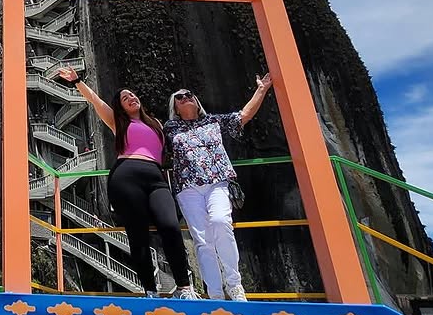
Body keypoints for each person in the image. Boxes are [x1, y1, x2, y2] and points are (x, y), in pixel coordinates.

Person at [57, 66, 197, 299]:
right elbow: (95, 101)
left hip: (156, 177)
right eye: (125, 97)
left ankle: (184, 288)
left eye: (132, 94)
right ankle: (150, 291)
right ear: (120, 106)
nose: (131, 98)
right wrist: (77, 81)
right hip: (126, 176)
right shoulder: (119, 123)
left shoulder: (157, 124)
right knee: (137, 233)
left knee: (170, 226)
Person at [164, 74, 273, 301]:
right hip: (188, 187)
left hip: (217, 181)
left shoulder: (213, 121)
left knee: (221, 222)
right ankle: (214, 293)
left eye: (189, 95)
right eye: (179, 97)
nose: (185, 98)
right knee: (203, 241)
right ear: (174, 106)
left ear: (196, 100)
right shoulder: (169, 128)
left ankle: (234, 284)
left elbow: (242, 117)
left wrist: (261, 90)